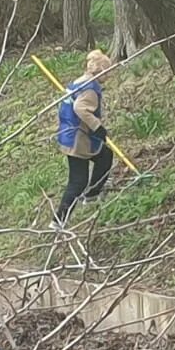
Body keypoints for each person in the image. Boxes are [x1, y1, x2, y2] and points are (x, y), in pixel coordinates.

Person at [52, 49, 115, 229]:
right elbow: (80, 109)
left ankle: (92, 193)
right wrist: (98, 127)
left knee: (104, 155)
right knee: (77, 181)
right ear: (100, 71)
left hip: (69, 134)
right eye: (108, 72)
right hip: (78, 139)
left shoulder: (78, 82)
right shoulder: (90, 89)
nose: (109, 76)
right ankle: (58, 220)